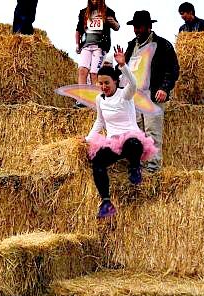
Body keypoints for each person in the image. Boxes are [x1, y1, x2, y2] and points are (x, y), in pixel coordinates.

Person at [84, 46, 158, 218]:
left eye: (106, 83)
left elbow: (133, 83)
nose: (103, 86)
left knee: (133, 143)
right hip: (112, 141)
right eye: (100, 83)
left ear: (115, 82)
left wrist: (123, 65)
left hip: (130, 138)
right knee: (98, 163)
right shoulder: (99, 99)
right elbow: (99, 121)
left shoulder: (125, 94)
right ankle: (106, 202)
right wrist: (88, 139)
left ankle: (134, 168)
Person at [125, 10, 179, 173]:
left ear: (149, 27)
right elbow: (125, 69)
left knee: (152, 133)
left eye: (140, 27)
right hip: (134, 96)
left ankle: (153, 171)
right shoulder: (131, 45)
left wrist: (164, 88)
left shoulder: (163, 45)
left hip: (152, 94)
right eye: (135, 27)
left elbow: (173, 69)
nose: (137, 30)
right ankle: (139, 166)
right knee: (137, 133)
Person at [74, 0, 120, 108]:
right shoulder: (84, 12)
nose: (94, 1)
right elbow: (78, 30)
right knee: (82, 70)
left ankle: (96, 99)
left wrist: (112, 22)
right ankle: (82, 99)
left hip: (99, 46)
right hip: (86, 45)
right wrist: (77, 44)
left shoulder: (108, 11)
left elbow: (117, 27)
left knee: (94, 73)